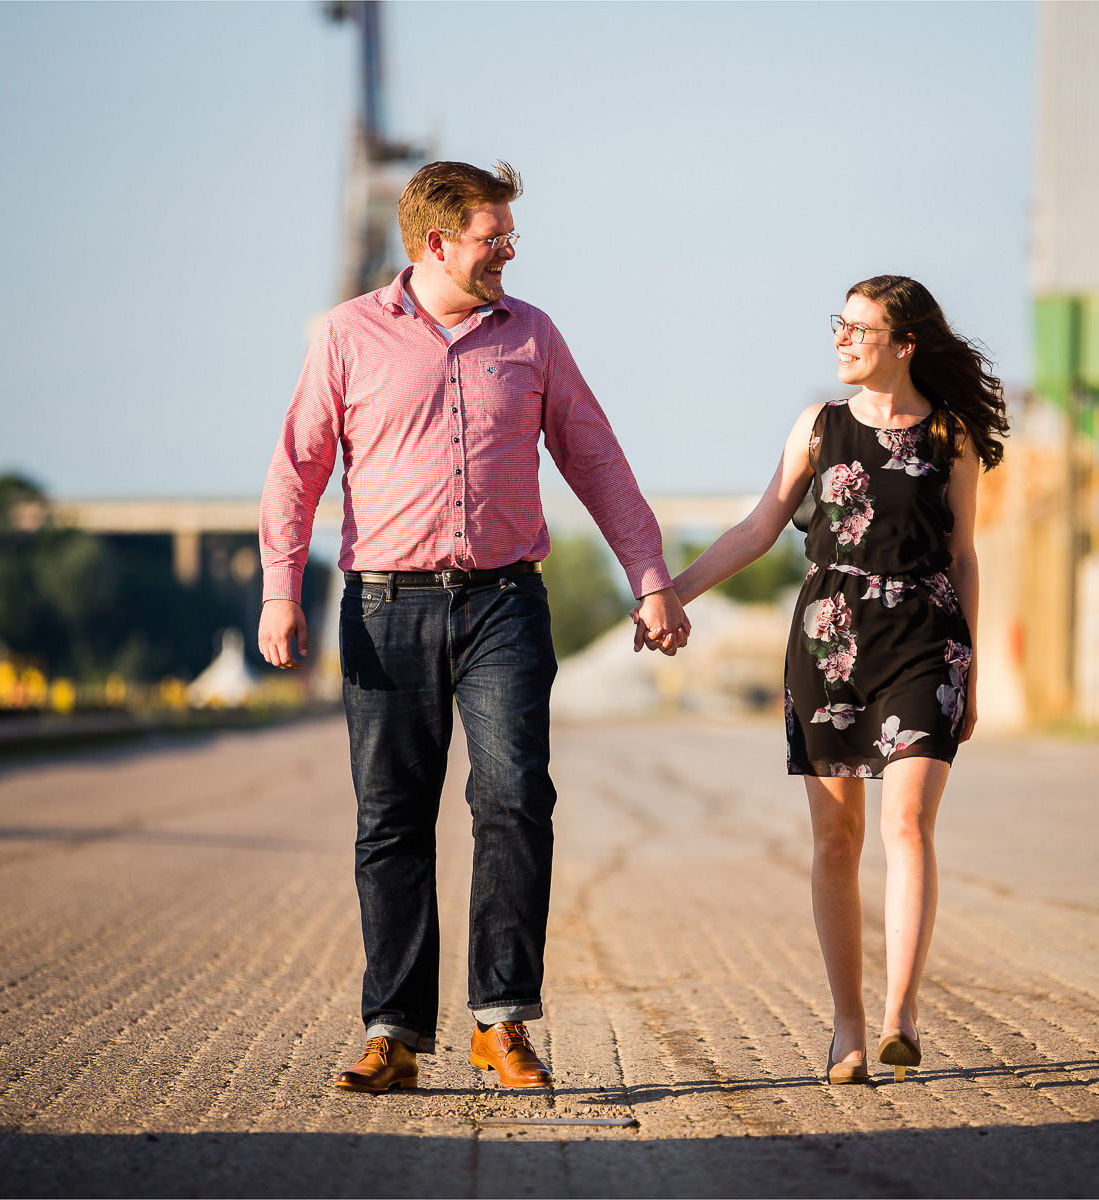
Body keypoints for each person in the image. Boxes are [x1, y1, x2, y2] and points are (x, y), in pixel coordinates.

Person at [258, 160, 690, 1093]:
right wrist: (279, 589)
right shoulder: (348, 336)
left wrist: (649, 575)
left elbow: (596, 457)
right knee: (392, 820)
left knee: (515, 797)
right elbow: (298, 466)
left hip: (502, 602)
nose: (507, 253)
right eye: (493, 238)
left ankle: (502, 1022)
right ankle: (395, 1032)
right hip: (383, 607)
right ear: (434, 244)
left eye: (509, 238)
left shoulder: (531, 335)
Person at [637, 275, 1006, 1083]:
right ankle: (846, 1026)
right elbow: (760, 527)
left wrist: (970, 671)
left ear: (902, 346)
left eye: (858, 328)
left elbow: (963, 557)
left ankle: (899, 1014)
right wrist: (670, 590)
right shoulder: (818, 426)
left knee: (907, 825)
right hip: (830, 643)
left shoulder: (951, 436)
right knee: (836, 840)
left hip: (923, 639)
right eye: (838, 325)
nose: (840, 339)